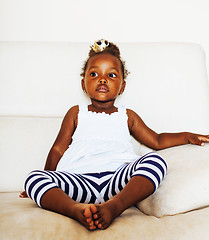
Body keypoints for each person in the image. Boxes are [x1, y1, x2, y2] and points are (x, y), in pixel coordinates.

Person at [20, 39, 209, 230]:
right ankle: (76, 210)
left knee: (155, 161)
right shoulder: (76, 113)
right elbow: (58, 148)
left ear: (123, 86)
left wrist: (186, 136)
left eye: (111, 75)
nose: (102, 79)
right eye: (94, 74)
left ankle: (114, 207)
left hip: (117, 182)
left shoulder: (127, 116)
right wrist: (47, 184)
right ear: (83, 84)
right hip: (79, 181)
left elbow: (157, 140)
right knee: (33, 178)